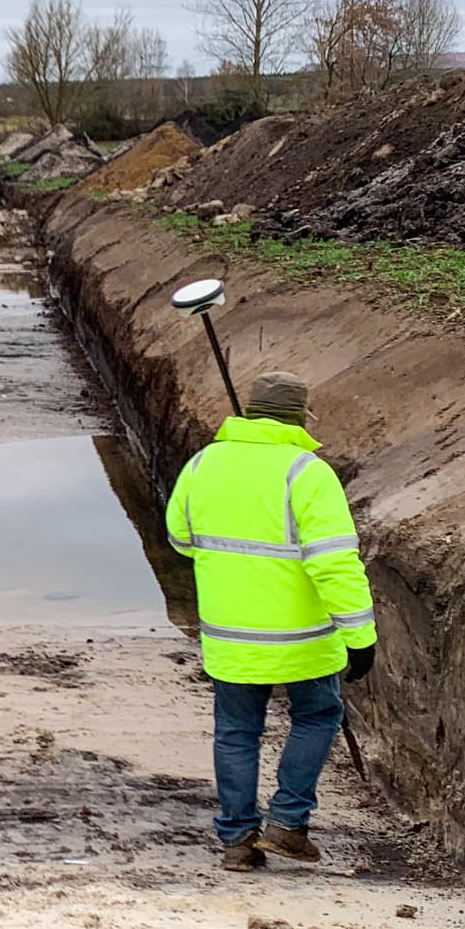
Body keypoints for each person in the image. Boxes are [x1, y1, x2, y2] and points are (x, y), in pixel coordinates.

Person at [165, 369, 377, 871]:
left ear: (249, 412)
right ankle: (287, 824)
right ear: (299, 418)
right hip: (303, 638)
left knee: (236, 731)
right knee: (317, 716)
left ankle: (238, 841)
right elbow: (334, 562)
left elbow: (179, 538)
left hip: (230, 636)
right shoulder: (307, 473)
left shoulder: (202, 465)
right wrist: (360, 635)